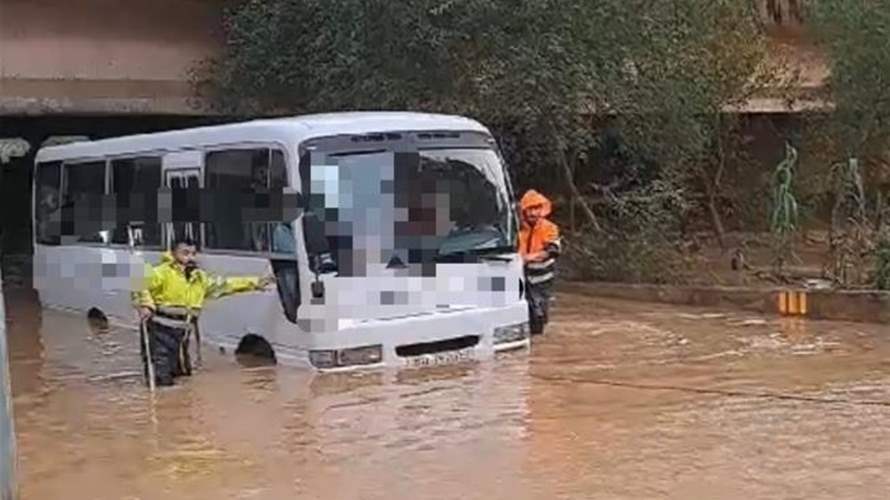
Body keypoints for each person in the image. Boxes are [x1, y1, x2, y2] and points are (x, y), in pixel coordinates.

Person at [134, 238, 275, 387]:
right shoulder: (160, 272)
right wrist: (145, 305)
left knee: (183, 376)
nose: (190, 258)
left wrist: (256, 283)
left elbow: (226, 285)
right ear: (173, 253)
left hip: (183, 334)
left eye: (193, 253)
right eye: (185, 253)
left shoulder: (199, 278)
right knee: (160, 377)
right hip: (159, 331)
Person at [518, 190, 562, 335]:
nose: (533, 213)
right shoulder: (517, 229)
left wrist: (528, 257)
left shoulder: (549, 228)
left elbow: (553, 250)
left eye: (536, 208)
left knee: (538, 314)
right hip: (521, 277)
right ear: (524, 210)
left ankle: (538, 334)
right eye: (530, 209)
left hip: (542, 279)